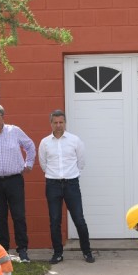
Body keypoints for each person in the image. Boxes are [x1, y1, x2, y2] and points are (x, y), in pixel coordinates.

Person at [0, 103, 35, 262]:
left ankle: (22, 250)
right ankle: (3, 252)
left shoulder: (14, 131)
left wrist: (28, 164)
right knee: (0, 217)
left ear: (2, 117)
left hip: (14, 180)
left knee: (18, 216)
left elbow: (30, 146)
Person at [38, 110, 94, 264]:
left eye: (61, 122)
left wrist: (73, 175)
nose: (58, 125)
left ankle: (87, 251)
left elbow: (81, 162)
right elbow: (43, 164)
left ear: (65, 123)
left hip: (71, 184)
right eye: (55, 122)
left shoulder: (75, 140)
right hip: (52, 184)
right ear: (51, 123)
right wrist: (54, 175)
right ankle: (57, 253)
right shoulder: (45, 142)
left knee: (79, 219)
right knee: (55, 220)